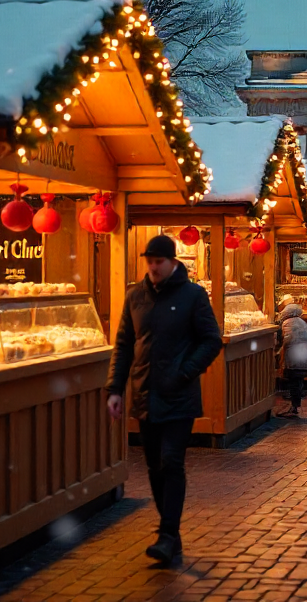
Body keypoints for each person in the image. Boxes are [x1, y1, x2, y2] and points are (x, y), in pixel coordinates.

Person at [108, 235, 223, 564]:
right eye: (150, 261)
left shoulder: (193, 296)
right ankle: (171, 533)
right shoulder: (135, 297)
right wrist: (115, 390)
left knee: (171, 462)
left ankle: (167, 533)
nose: (154, 267)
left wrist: (185, 371)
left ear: (173, 262)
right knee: (154, 466)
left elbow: (211, 341)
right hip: (145, 394)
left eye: (159, 261)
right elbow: (124, 346)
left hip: (179, 396)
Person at [276, 298, 307, 418]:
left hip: (292, 356)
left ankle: (294, 406)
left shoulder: (287, 323)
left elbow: (286, 340)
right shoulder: (302, 322)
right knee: (298, 379)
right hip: (303, 355)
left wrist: (279, 351)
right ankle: (296, 403)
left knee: (293, 381)